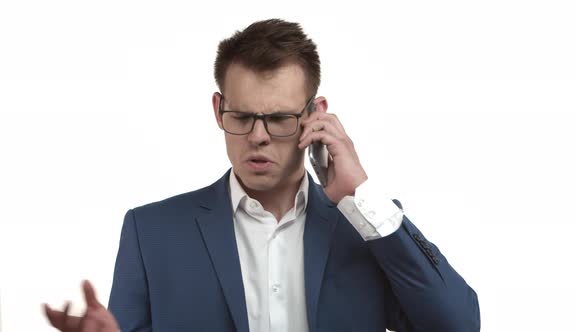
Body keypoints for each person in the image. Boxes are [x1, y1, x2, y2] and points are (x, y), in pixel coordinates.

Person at [45, 18, 480, 332]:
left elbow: (458, 325)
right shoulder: (151, 232)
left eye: (278, 118)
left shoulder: (365, 227)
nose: (258, 136)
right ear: (218, 110)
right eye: (242, 116)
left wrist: (358, 194)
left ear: (316, 116)